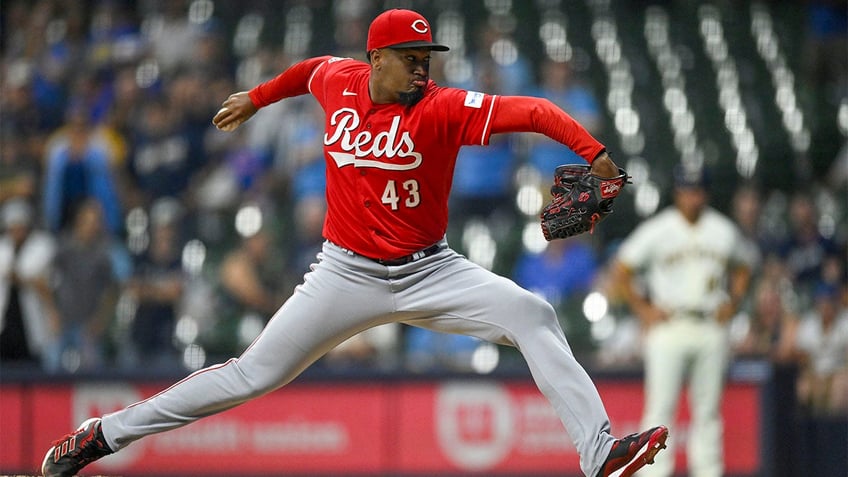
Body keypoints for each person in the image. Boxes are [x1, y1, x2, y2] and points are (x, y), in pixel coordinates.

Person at [41, 9, 667, 477]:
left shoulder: (443, 107)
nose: (422, 66)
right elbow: (306, 72)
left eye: (426, 56)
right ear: (375, 59)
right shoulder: (338, 80)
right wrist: (257, 98)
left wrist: (596, 154)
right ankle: (102, 435)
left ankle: (599, 454)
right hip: (345, 274)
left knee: (534, 313)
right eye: (409, 56)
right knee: (249, 376)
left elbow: (533, 111)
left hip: (432, 271)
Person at [610, 165, 755, 477]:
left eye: (698, 190)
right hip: (669, 325)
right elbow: (621, 268)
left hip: (709, 324)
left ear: (706, 192)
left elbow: (744, 266)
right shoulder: (658, 229)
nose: (692, 196)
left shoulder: (722, 229)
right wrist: (644, 309)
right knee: (660, 409)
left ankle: (708, 472)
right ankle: (654, 473)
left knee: (708, 411)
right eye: (687, 190)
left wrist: (733, 303)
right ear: (677, 193)